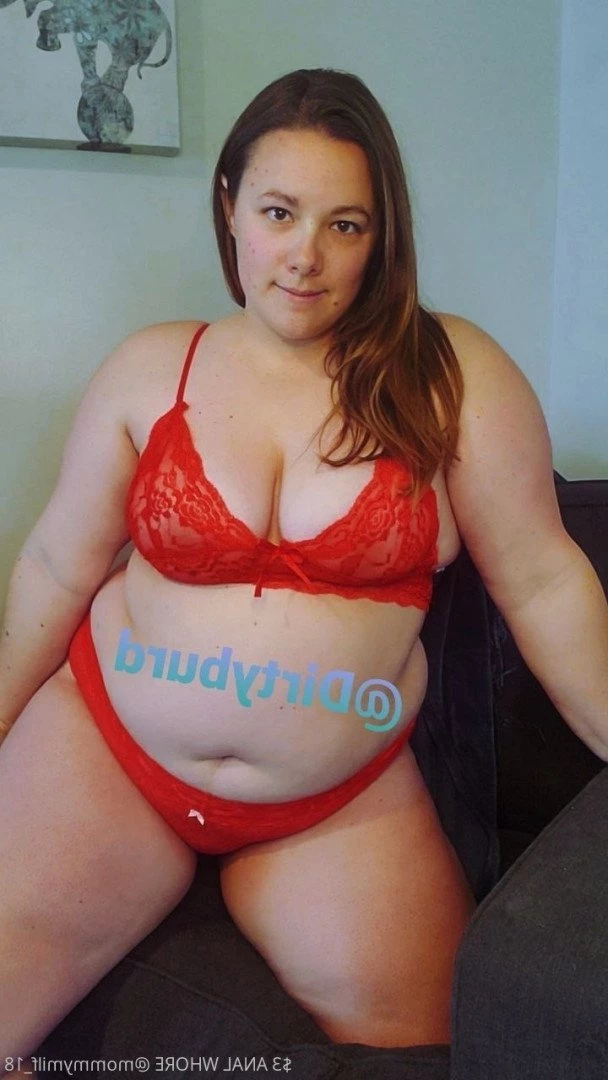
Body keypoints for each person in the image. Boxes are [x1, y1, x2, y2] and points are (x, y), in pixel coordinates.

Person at [1, 67, 607, 1068]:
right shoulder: (152, 366)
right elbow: (58, 563)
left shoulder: (453, 376)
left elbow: (543, 583)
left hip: (336, 798)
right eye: (279, 212)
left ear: (382, 235)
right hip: (106, 748)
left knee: (458, 1049)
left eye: (345, 225)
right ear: (229, 206)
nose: (305, 256)